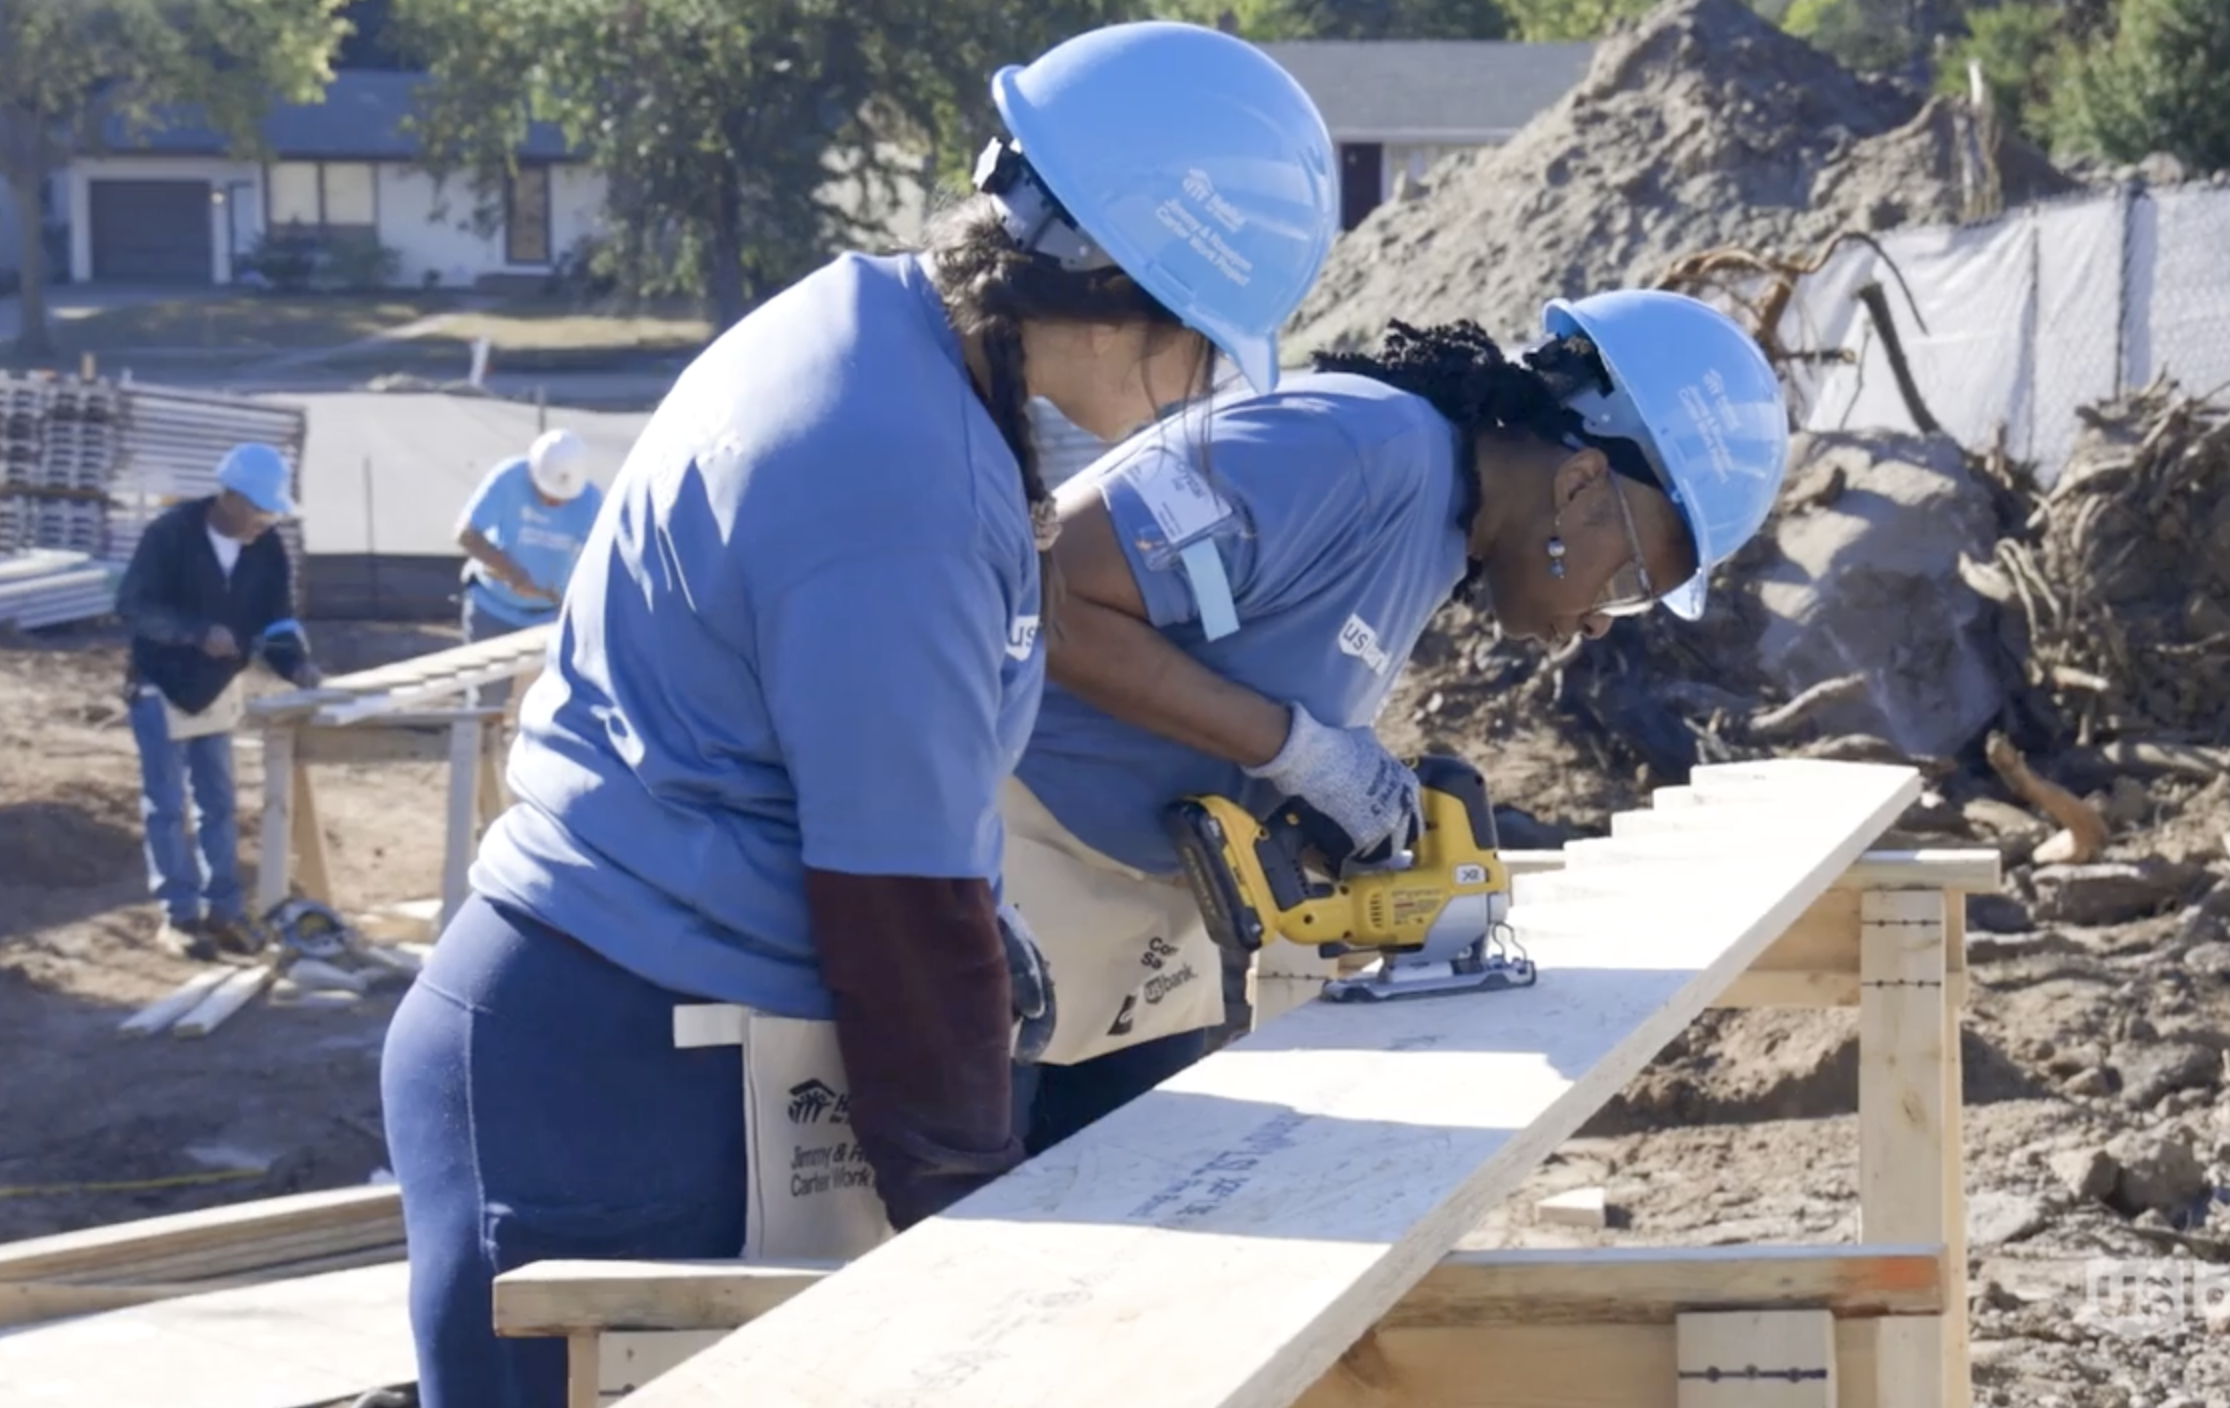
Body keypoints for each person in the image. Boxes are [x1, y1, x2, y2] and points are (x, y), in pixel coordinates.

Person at [377, 21, 1340, 1407]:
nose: (1192, 402)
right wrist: (973, 1239)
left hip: (634, 1030)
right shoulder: (902, 482)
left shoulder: (875, 330)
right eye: (1203, 358)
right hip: (607, 1079)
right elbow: (897, 899)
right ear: (1131, 299)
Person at [1002, 292, 1791, 1152]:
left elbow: (1218, 669)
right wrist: (1293, 748)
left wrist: (1321, 817)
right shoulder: (1353, 450)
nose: (1603, 619)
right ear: (1582, 484)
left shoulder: (1442, 531)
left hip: (1131, 920)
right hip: (1006, 863)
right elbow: (1047, 594)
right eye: (1631, 581)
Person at [114, 442, 323, 960]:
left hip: (217, 689)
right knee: (165, 805)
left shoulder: (267, 548)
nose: (265, 520)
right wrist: (193, 633)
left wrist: (296, 665)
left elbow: (277, 620)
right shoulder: (171, 534)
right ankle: (180, 917)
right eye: (259, 508)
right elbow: (135, 605)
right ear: (228, 497)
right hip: (161, 683)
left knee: (219, 804)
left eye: (272, 510)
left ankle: (225, 910)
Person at [452, 427, 603, 705]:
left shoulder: (592, 502)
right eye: (545, 492)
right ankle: (479, 747)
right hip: (491, 609)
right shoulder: (509, 478)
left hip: (545, 620)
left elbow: (598, 563)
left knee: (538, 706)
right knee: (486, 702)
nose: (552, 502)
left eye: (561, 498)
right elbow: (466, 533)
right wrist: (511, 572)